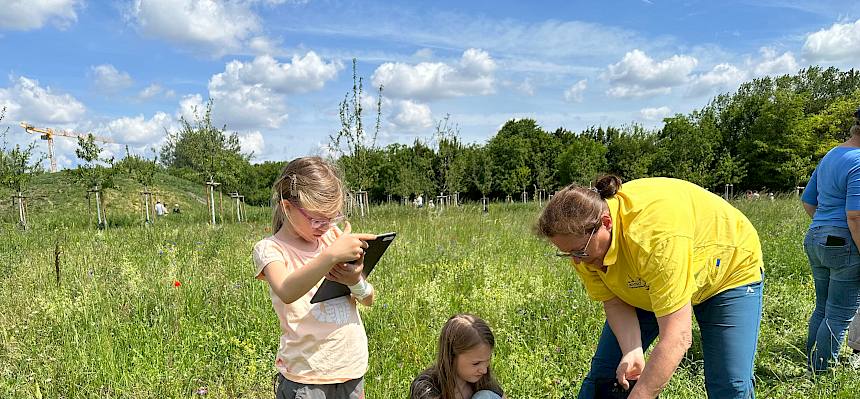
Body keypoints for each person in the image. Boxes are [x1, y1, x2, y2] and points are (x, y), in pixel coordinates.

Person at [535, 176, 763, 399]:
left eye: (579, 251)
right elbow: (614, 301)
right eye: (568, 253)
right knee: (605, 376)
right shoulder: (585, 248)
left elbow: (678, 337)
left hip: (728, 271)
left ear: (606, 223)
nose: (577, 261)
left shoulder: (652, 238)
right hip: (649, 278)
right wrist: (631, 349)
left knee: (729, 385)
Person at [252, 156, 377, 399]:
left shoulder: (332, 237)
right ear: (287, 208)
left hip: (350, 367)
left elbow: (368, 299)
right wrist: (330, 256)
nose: (325, 226)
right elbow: (287, 291)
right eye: (318, 219)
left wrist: (354, 281)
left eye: (333, 218)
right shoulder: (270, 249)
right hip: (306, 376)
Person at [800, 109, 860, 372]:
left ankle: (811, 360)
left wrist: (825, 229)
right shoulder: (859, 161)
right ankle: (822, 372)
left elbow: (807, 200)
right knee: (838, 314)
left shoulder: (831, 155)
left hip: (816, 237)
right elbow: (855, 216)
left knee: (822, 307)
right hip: (842, 241)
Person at [410, 314, 505, 399]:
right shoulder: (428, 388)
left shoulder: (483, 381)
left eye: (487, 360)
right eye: (476, 363)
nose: (484, 370)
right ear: (451, 356)